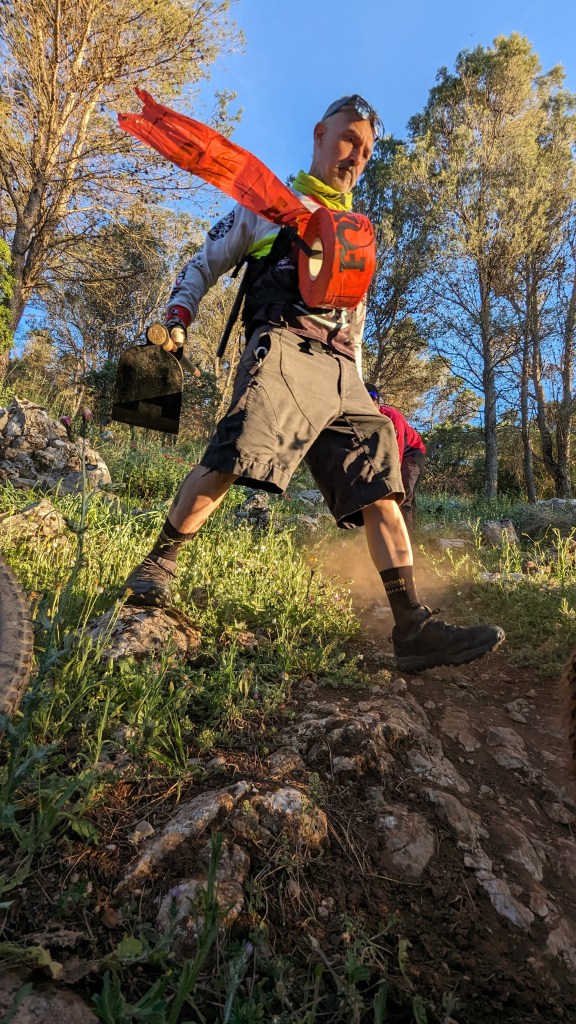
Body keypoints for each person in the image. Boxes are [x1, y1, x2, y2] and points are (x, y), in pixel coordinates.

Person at [122, 95, 504, 673]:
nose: (356, 157)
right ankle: (157, 565)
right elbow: (203, 264)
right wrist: (179, 314)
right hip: (282, 344)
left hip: (343, 369)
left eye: (366, 151)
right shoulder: (267, 205)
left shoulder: (358, 235)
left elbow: (356, 321)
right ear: (320, 134)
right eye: (349, 140)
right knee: (238, 452)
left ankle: (412, 628)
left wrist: (361, 386)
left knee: (381, 484)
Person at [366, 385, 425, 538]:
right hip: (390, 456)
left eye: (372, 401)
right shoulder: (364, 419)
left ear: (378, 402)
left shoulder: (392, 416)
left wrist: (392, 474)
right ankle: (392, 534)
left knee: (403, 494)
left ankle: (407, 542)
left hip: (411, 454)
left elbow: (398, 449)